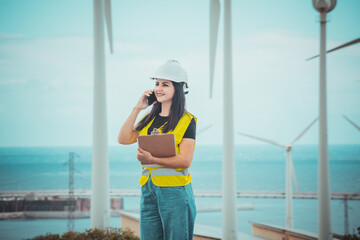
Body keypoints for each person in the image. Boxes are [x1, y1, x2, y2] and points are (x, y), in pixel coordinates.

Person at [118, 60, 197, 240]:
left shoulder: (186, 120)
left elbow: (185, 160)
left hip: (175, 192)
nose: (159, 88)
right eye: (157, 84)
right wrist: (137, 108)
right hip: (149, 190)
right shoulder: (148, 118)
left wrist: (152, 159)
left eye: (165, 84)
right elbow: (123, 139)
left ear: (178, 88)